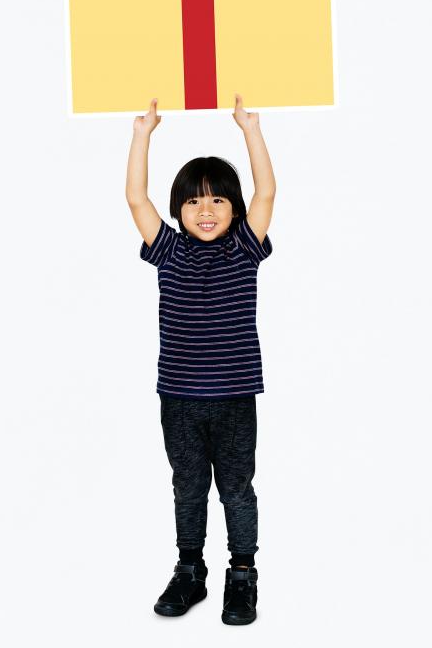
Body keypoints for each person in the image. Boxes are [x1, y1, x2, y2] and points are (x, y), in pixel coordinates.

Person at [125, 94, 276, 625]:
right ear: (179, 210)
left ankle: (243, 575)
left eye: (216, 202)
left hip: (234, 399)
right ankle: (190, 571)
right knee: (187, 486)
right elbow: (136, 198)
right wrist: (143, 134)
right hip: (180, 399)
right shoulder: (167, 250)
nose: (205, 210)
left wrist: (250, 130)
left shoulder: (244, 248)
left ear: (233, 210)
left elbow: (267, 191)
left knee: (236, 486)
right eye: (193, 202)